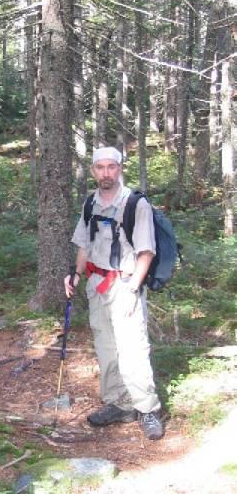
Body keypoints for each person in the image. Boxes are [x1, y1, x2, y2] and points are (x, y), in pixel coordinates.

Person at [64, 146, 164, 440]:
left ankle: (147, 409)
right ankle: (119, 404)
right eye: (100, 167)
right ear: (93, 170)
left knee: (133, 349)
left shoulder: (136, 204)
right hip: (97, 286)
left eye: (111, 167)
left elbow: (146, 252)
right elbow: (84, 245)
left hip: (125, 285)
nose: (106, 173)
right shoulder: (89, 204)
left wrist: (133, 290)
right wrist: (76, 274)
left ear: (120, 168)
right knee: (106, 348)